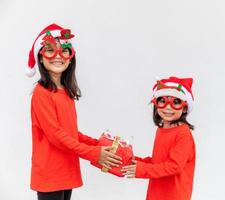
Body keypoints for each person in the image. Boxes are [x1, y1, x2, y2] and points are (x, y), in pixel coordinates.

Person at [27, 23, 122, 200]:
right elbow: (56, 136)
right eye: (50, 50)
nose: (58, 56)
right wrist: (94, 153)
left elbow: (69, 132)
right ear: (40, 57)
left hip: (66, 172)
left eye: (64, 50)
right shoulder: (42, 94)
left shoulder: (66, 92)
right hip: (50, 174)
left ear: (70, 57)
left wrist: (98, 145)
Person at [122, 76, 196, 200]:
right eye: (162, 101)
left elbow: (174, 166)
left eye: (176, 102)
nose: (168, 107)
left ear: (184, 108)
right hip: (156, 193)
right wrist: (137, 162)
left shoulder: (183, 134)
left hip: (174, 196)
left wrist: (142, 169)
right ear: (156, 104)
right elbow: (159, 162)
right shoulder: (161, 130)